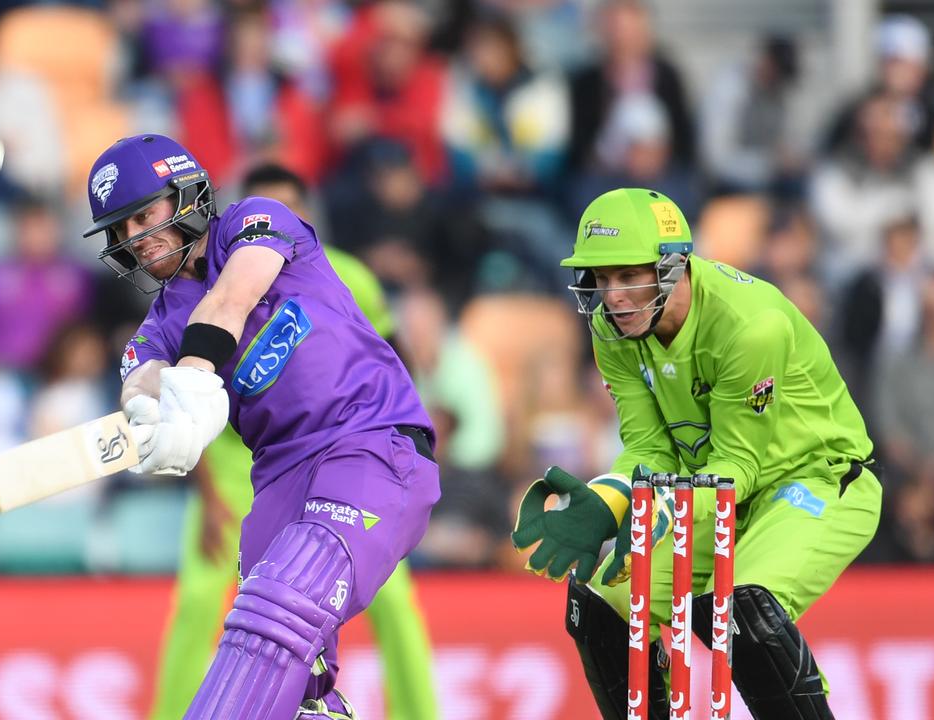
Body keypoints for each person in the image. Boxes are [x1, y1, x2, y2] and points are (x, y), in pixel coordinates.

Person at [82, 135, 440, 719]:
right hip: (277, 478)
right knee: (274, 666)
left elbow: (231, 299)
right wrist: (151, 411)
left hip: (368, 442)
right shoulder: (163, 319)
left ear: (186, 194)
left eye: (143, 218)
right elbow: (137, 376)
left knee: (281, 602)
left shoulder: (256, 220)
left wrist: (190, 377)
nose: (135, 243)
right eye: (120, 233)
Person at [511, 188, 881, 719]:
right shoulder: (611, 329)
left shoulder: (749, 326)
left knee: (738, 611)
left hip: (817, 479)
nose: (613, 297)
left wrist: (654, 513)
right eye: (601, 278)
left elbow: (740, 466)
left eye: (628, 275)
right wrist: (606, 501)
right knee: (598, 603)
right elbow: (648, 447)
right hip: (706, 489)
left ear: (672, 265)